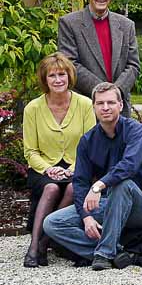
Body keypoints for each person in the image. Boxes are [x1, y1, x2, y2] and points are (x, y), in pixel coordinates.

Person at [44, 82, 142, 271]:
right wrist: (86, 217)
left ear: (120, 105)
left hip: (140, 207)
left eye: (111, 103)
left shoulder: (136, 131)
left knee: (122, 184)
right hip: (106, 204)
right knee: (53, 223)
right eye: (100, 103)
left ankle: (104, 254)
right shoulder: (87, 141)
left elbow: (128, 166)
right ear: (93, 106)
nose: (105, 108)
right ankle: (119, 253)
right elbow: (79, 183)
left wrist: (98, 186)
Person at [22, 53, 96, 267]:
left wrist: (73, 168)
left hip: (79, 165)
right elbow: (30, 151)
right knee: (52, 189)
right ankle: (35, 247)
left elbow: (89, 147)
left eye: (61, 74)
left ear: (69, 76)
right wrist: (48, 170)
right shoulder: (32, 109)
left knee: (74, 188)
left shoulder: (85, 104)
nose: (57, 80)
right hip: (42, 168)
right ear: (45, 79)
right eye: (52, 75)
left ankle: (45, 242)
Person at [58, 0, 140, 117]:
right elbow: (69, 64)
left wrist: (116, 92)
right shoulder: (69, 23)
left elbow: (133, 65)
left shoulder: (127, 25)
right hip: (85, 106)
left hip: (119, 108)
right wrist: (103, 92)